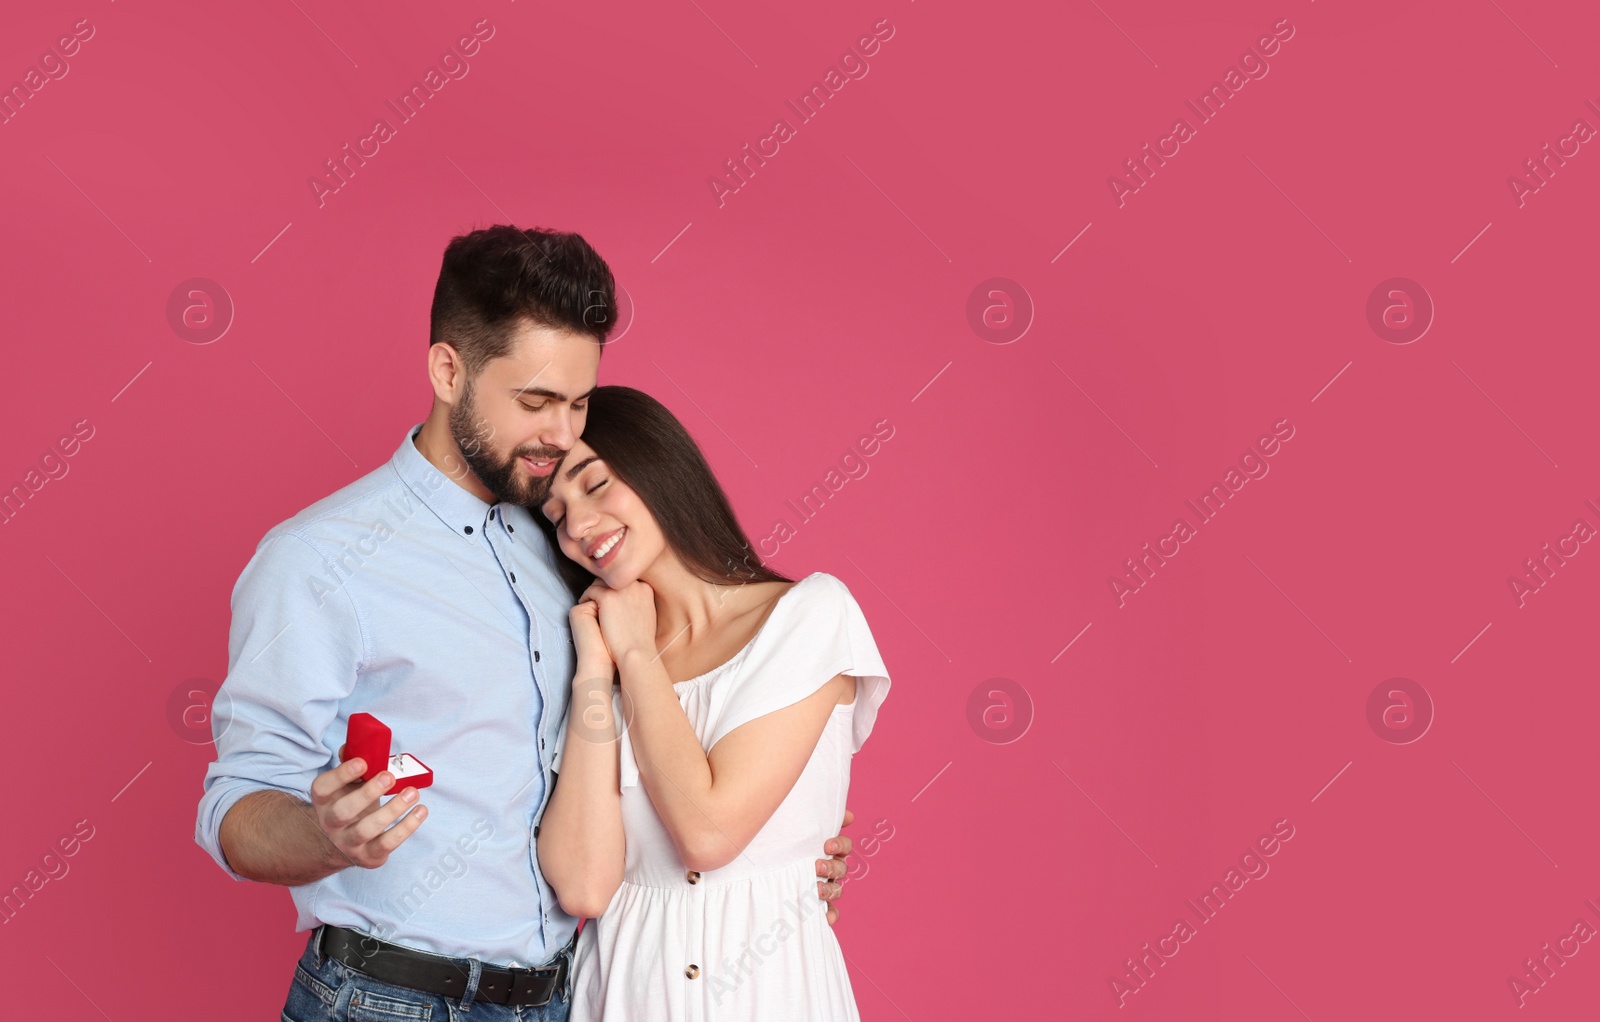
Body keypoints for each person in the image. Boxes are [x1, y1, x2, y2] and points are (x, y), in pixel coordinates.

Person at [193, 226, 854, 1021]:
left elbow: (657, 756)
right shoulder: (317, 560)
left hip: (564, 994)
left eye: (577, 404)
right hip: (387, 998)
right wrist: (323, 835)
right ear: (448, 370)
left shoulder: (570, 550)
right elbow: (237, 804)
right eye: (535, 402)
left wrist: (786, 849)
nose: (562, 435)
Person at [533, 386, 891, 1020]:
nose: (579, 528)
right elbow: (585, 885)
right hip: (622, 997)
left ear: (657, 466)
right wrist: (597, 665)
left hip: (772, 996)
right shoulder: (602, 665)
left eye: (595, 485)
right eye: (557, 516)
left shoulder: (807, 617)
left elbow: (708, 832)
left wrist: (639, 656)